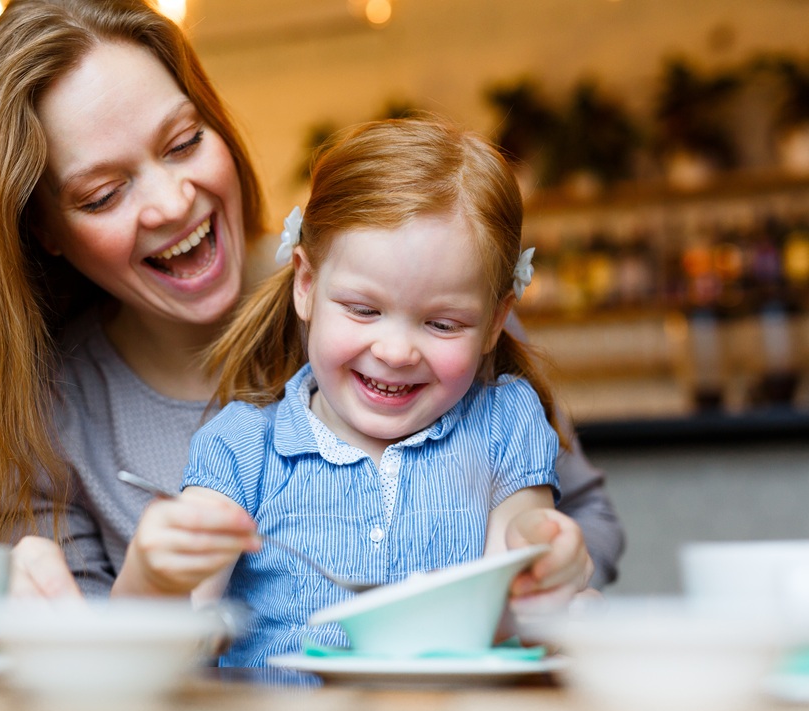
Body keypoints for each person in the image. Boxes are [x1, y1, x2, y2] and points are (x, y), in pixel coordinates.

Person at [0, 0, 623, 599]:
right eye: (104, 193)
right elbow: (98, 661)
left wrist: (553, 568)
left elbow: (581, 514)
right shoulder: (45, 413)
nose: (172, 201)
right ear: (40, 229)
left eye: (183, 142)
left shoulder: (408, 291)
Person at [111, 116, 593, 666]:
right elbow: (164, 648)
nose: (396, 351)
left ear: (495, 321)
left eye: (442, 324)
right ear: (307, 285)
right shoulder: (241, 448)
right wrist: (152, 579)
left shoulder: (506, 423)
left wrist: (547, 558)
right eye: (364, 311)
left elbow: (518, 590)